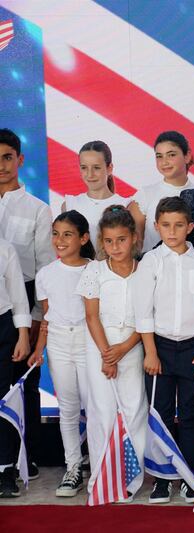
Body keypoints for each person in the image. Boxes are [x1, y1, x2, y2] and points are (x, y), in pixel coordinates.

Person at [133, 197, 194, 504]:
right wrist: (150, 352)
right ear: (156, 226)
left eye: (179, 225)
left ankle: (190, 476)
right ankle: (163, 478)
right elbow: (143, 311)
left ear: (190, 227)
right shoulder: (151, 261)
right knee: (160, 413)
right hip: (160, 347)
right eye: (166, 225)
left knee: (191, 414)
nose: (172, 231)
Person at [77, 206, 147, 502]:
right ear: (101, 242)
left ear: (134, 238)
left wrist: (125, 348)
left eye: (121, 240)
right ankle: (102, 477)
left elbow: (147, 316)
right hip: (100, 346)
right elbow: (91, 315)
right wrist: (108, 354)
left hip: (132, 345)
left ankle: (130, 478)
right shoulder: (94, 271)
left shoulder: (145, 270)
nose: (115, 247)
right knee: (102, 411)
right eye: (108, 241)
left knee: (134, 409)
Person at [0, 128, 55, 482]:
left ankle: (27, 456)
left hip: (25, 300)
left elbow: (45, 268)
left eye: (7, 157)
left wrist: (36, 320)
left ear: (20, 159)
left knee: (24, 384)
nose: (1, 165)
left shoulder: (38, 210)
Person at [28, 211, 94, 498]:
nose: (59, 240)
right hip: (58, 343)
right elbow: (47, 316)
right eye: (55, 234)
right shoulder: (46, 274)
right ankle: (73, 467)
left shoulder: (95, 270)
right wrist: (38, 349)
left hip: (89, 342)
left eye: (68, 234)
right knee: (67, 407)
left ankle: (99, 465)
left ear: (84, 238)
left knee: (95, 406)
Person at [129, 131, 194, 252]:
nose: (164, 162)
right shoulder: (145, 195)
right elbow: (133, 243)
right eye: (159, 156)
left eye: (171, 155)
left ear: (187, 156)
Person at [0, 237, 31, 498]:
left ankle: (5, 469)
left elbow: (18, 295)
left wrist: (23, 334)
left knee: (2, 400)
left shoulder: (4, 248)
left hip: (2, 327)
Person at [63, 141, 131, 246]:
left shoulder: (126, 205)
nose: (90, 174)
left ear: (109, 168)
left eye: (96, 168)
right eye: (84, 167)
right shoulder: (69, 204)